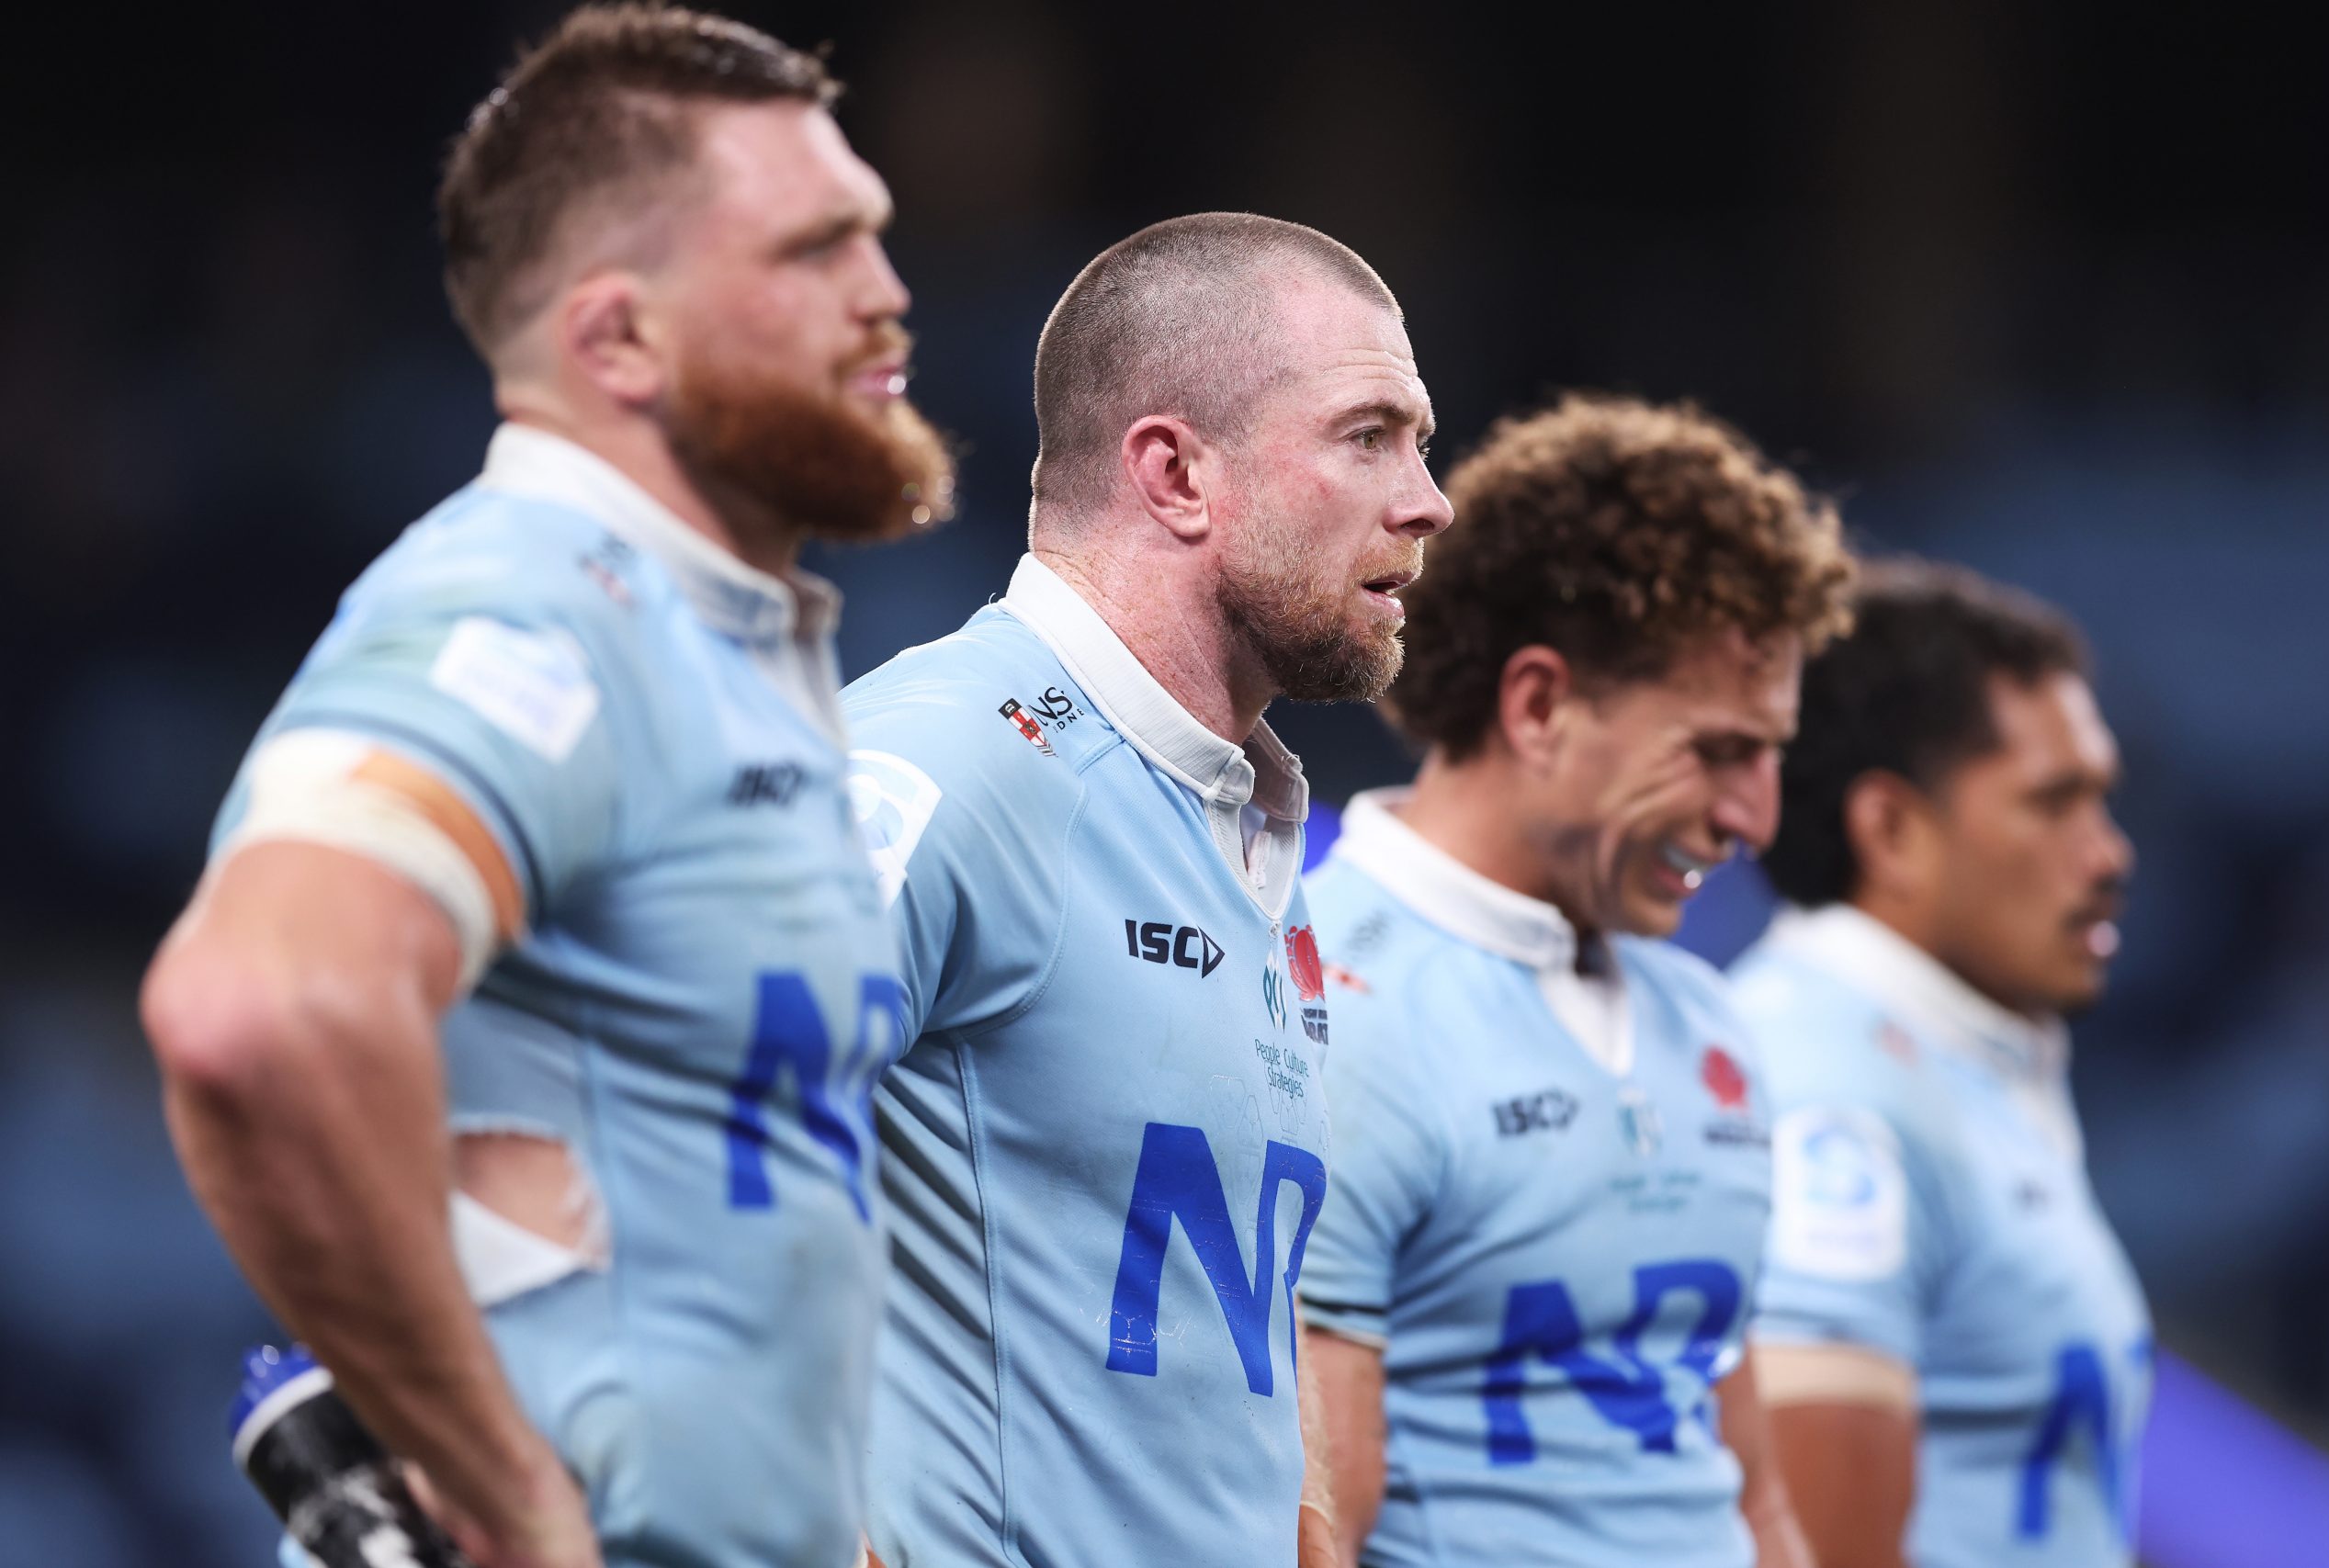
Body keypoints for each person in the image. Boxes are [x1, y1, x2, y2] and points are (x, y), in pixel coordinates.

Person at [138, 8, 952, 1567]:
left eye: (873, 232)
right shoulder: (533, 611)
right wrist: (503, 1482)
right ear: (618, 340)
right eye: (816, 248)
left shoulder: (706, 641)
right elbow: (254, 1006)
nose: (887, 290)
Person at [842, 212, 1451, 1568]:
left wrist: (1300, 1514)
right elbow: (645, 1143)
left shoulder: (1241, 825)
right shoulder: (950, 762)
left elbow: (1212, 1327)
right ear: (1176, 475)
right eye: (1368, 437)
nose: (1428, 499)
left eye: (1419, 442)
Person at [1296, 393, 1855, 1568]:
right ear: (1540, 705)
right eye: (1717, 751)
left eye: (1771, 756)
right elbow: (1313, 1530)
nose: (1753, 819)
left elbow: (1749, 1500)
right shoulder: (1316, 1010)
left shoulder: (1705, 1018)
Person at [1732, 560, 2149, 1568]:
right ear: (1891, 829)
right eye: (2054, 802)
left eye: (2101, 799)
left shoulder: (1949, 1055)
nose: (2109, 855)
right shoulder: (1830, 1092)